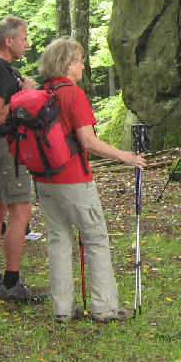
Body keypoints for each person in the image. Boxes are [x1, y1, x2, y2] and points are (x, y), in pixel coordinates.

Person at [35, 37, 145, 323]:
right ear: (68, 64)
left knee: (58, 239)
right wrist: (126, 156)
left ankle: (62, 309)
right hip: (73, 179)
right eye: (79, 60)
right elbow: (89, 142)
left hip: (44, 180)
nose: (82, 65)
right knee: (95, 238)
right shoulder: (73, 95)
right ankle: (105, 307)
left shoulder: (42, 92)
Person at [0, 16, 44, 304]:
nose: (26, 44)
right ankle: (12, 282)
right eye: (23, 38)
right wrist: (25, 93)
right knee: (21, 211)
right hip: (6, 146)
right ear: (8, 40)